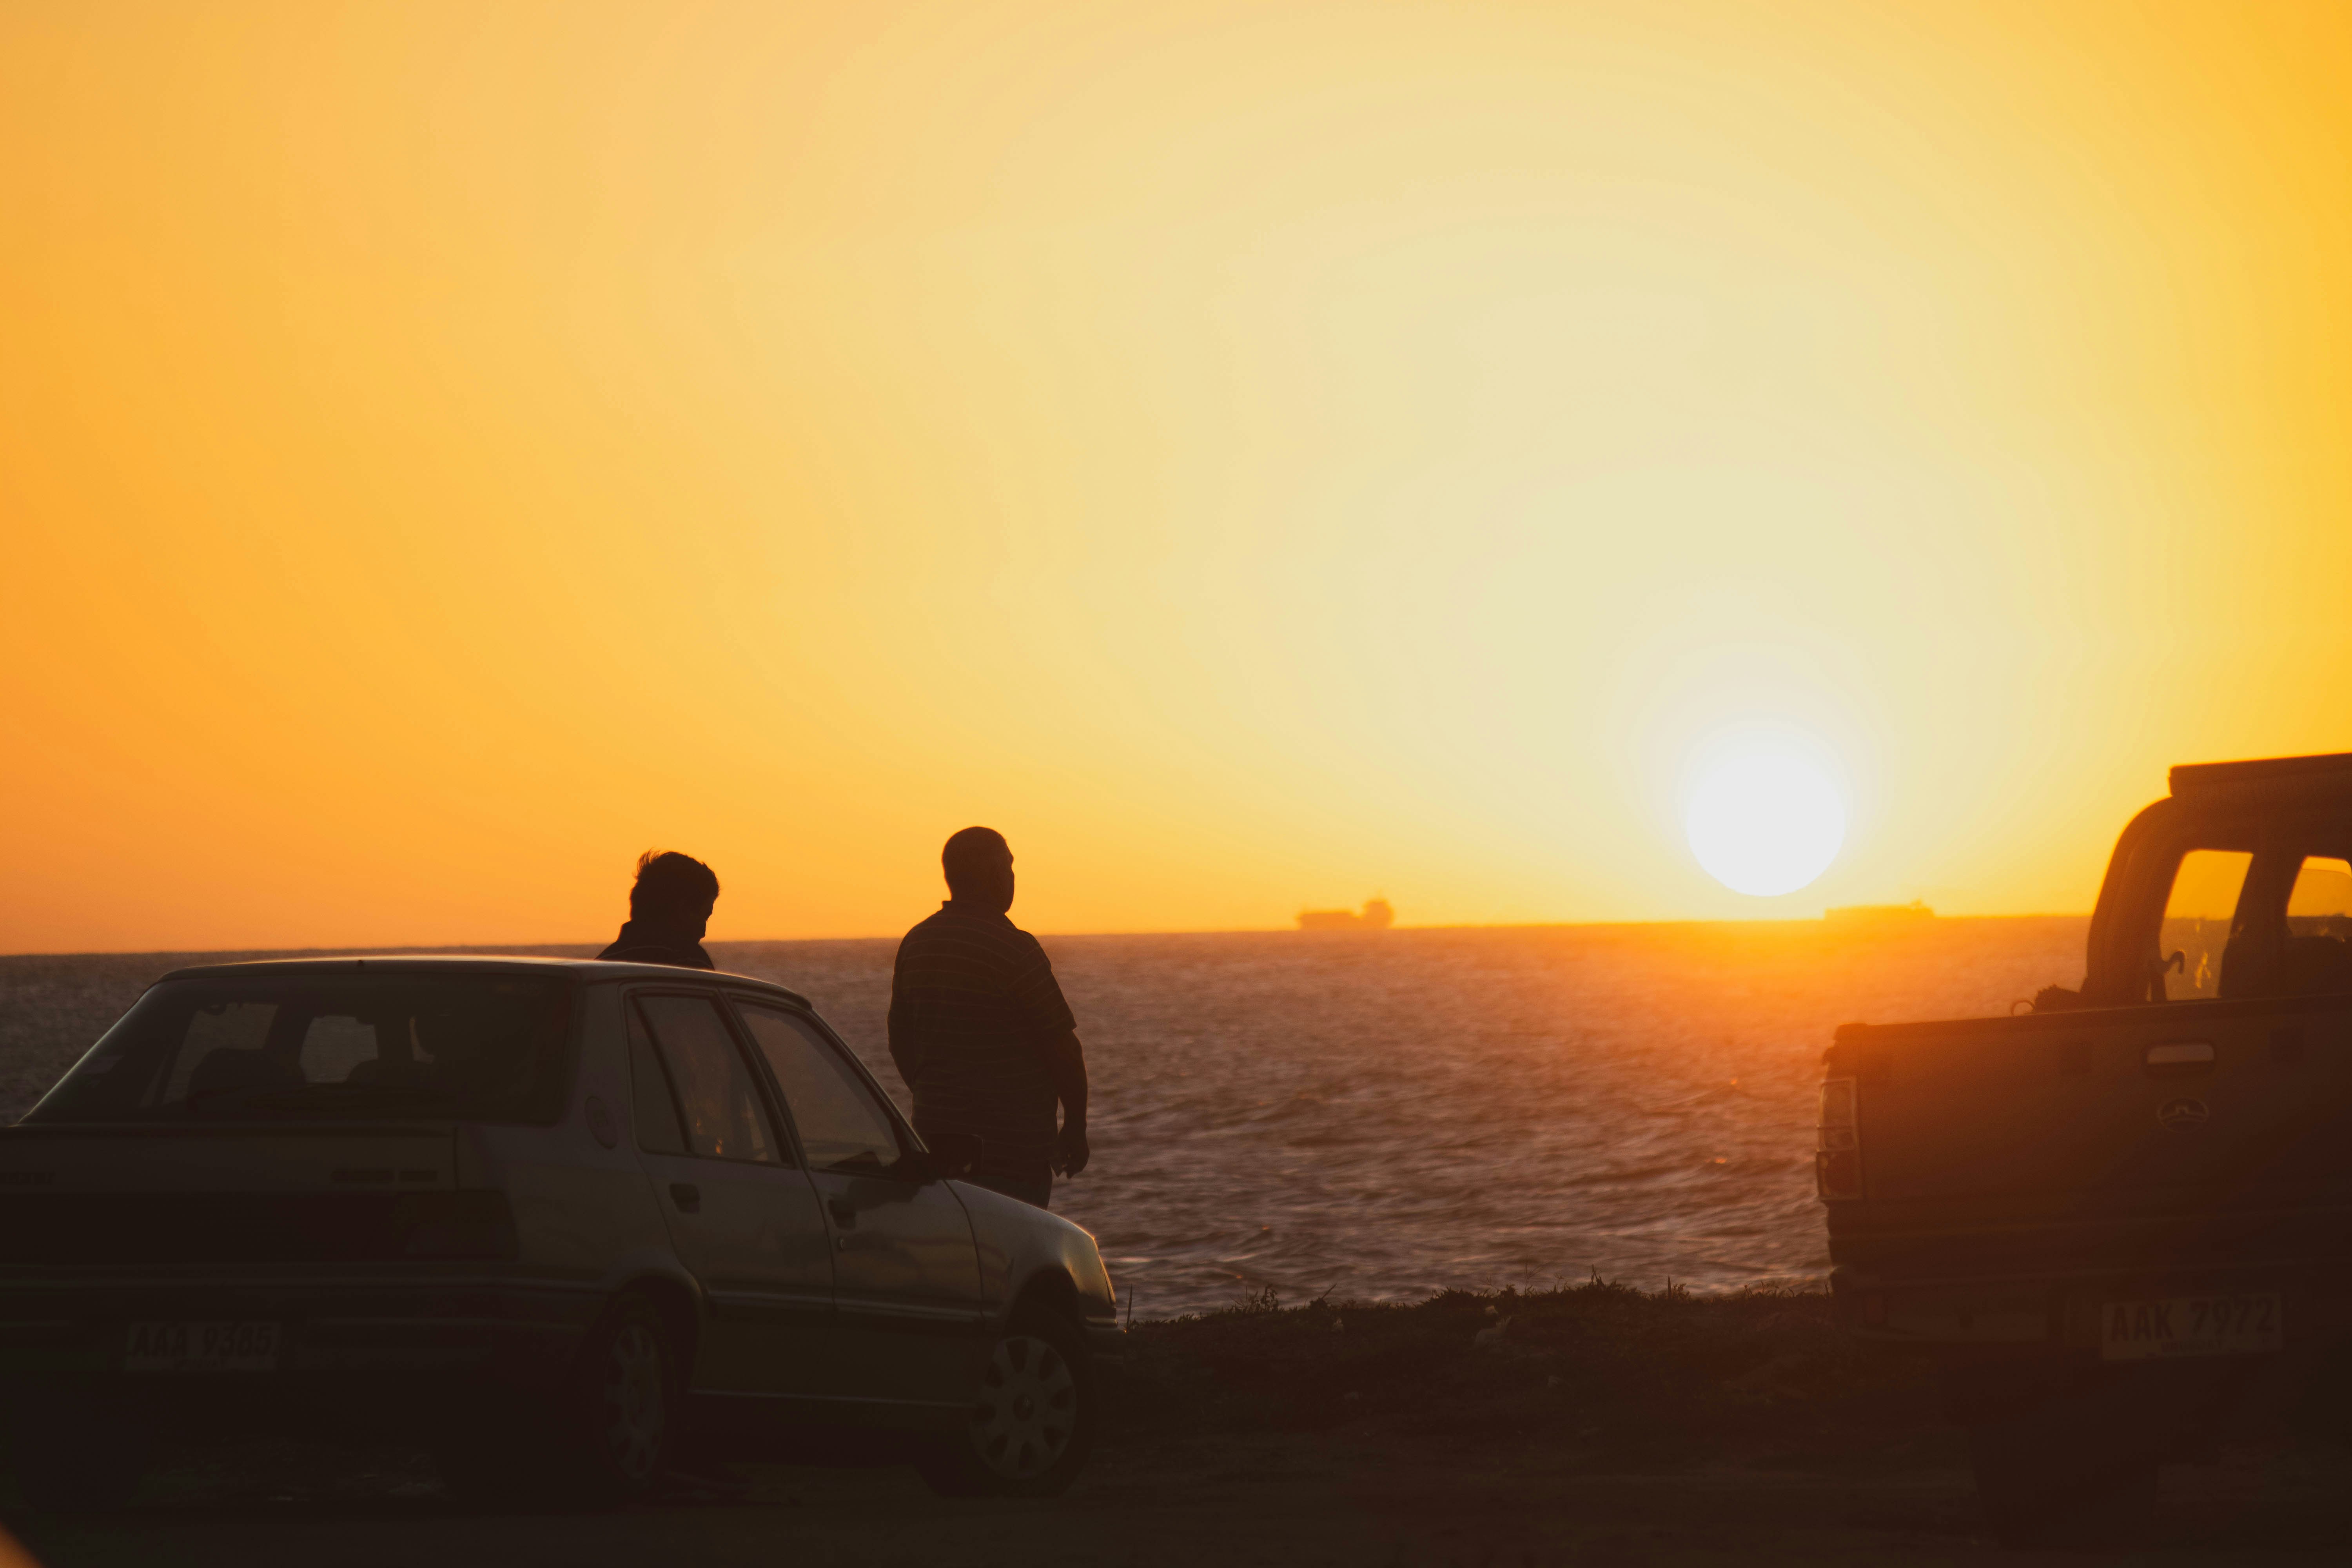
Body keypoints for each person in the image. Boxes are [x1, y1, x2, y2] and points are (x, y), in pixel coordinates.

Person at [888, 827, 1089, 1208]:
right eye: (1010, 866)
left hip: (937, 1144)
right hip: (1011, 1152)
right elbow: (1063, 1048)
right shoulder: (1015, 949)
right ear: (995, 874)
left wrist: (938, 1096)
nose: (1013, 877)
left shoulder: (916, 943)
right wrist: (1075, 1127)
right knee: (1012, 1257)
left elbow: (900, 1040)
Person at [598, 850, 720, 969]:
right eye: (704, 917)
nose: (703, 933)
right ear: (683, 910)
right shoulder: (689, 961)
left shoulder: (602, 964)